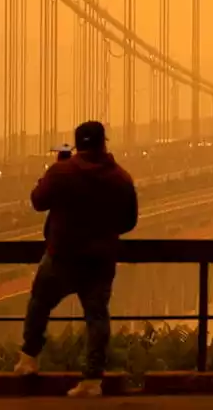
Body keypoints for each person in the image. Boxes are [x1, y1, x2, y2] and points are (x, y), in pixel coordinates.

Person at [14, 121, 138, 398]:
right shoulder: (121, 177)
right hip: (100, 261)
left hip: (62, 256)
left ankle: (29, 359)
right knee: (97, 317)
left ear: (76, 145)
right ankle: (93, 380)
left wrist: (52, 171)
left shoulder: (62, 172)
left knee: (39, 303)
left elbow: (37, 201)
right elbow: (129, 222)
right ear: (104, 142)